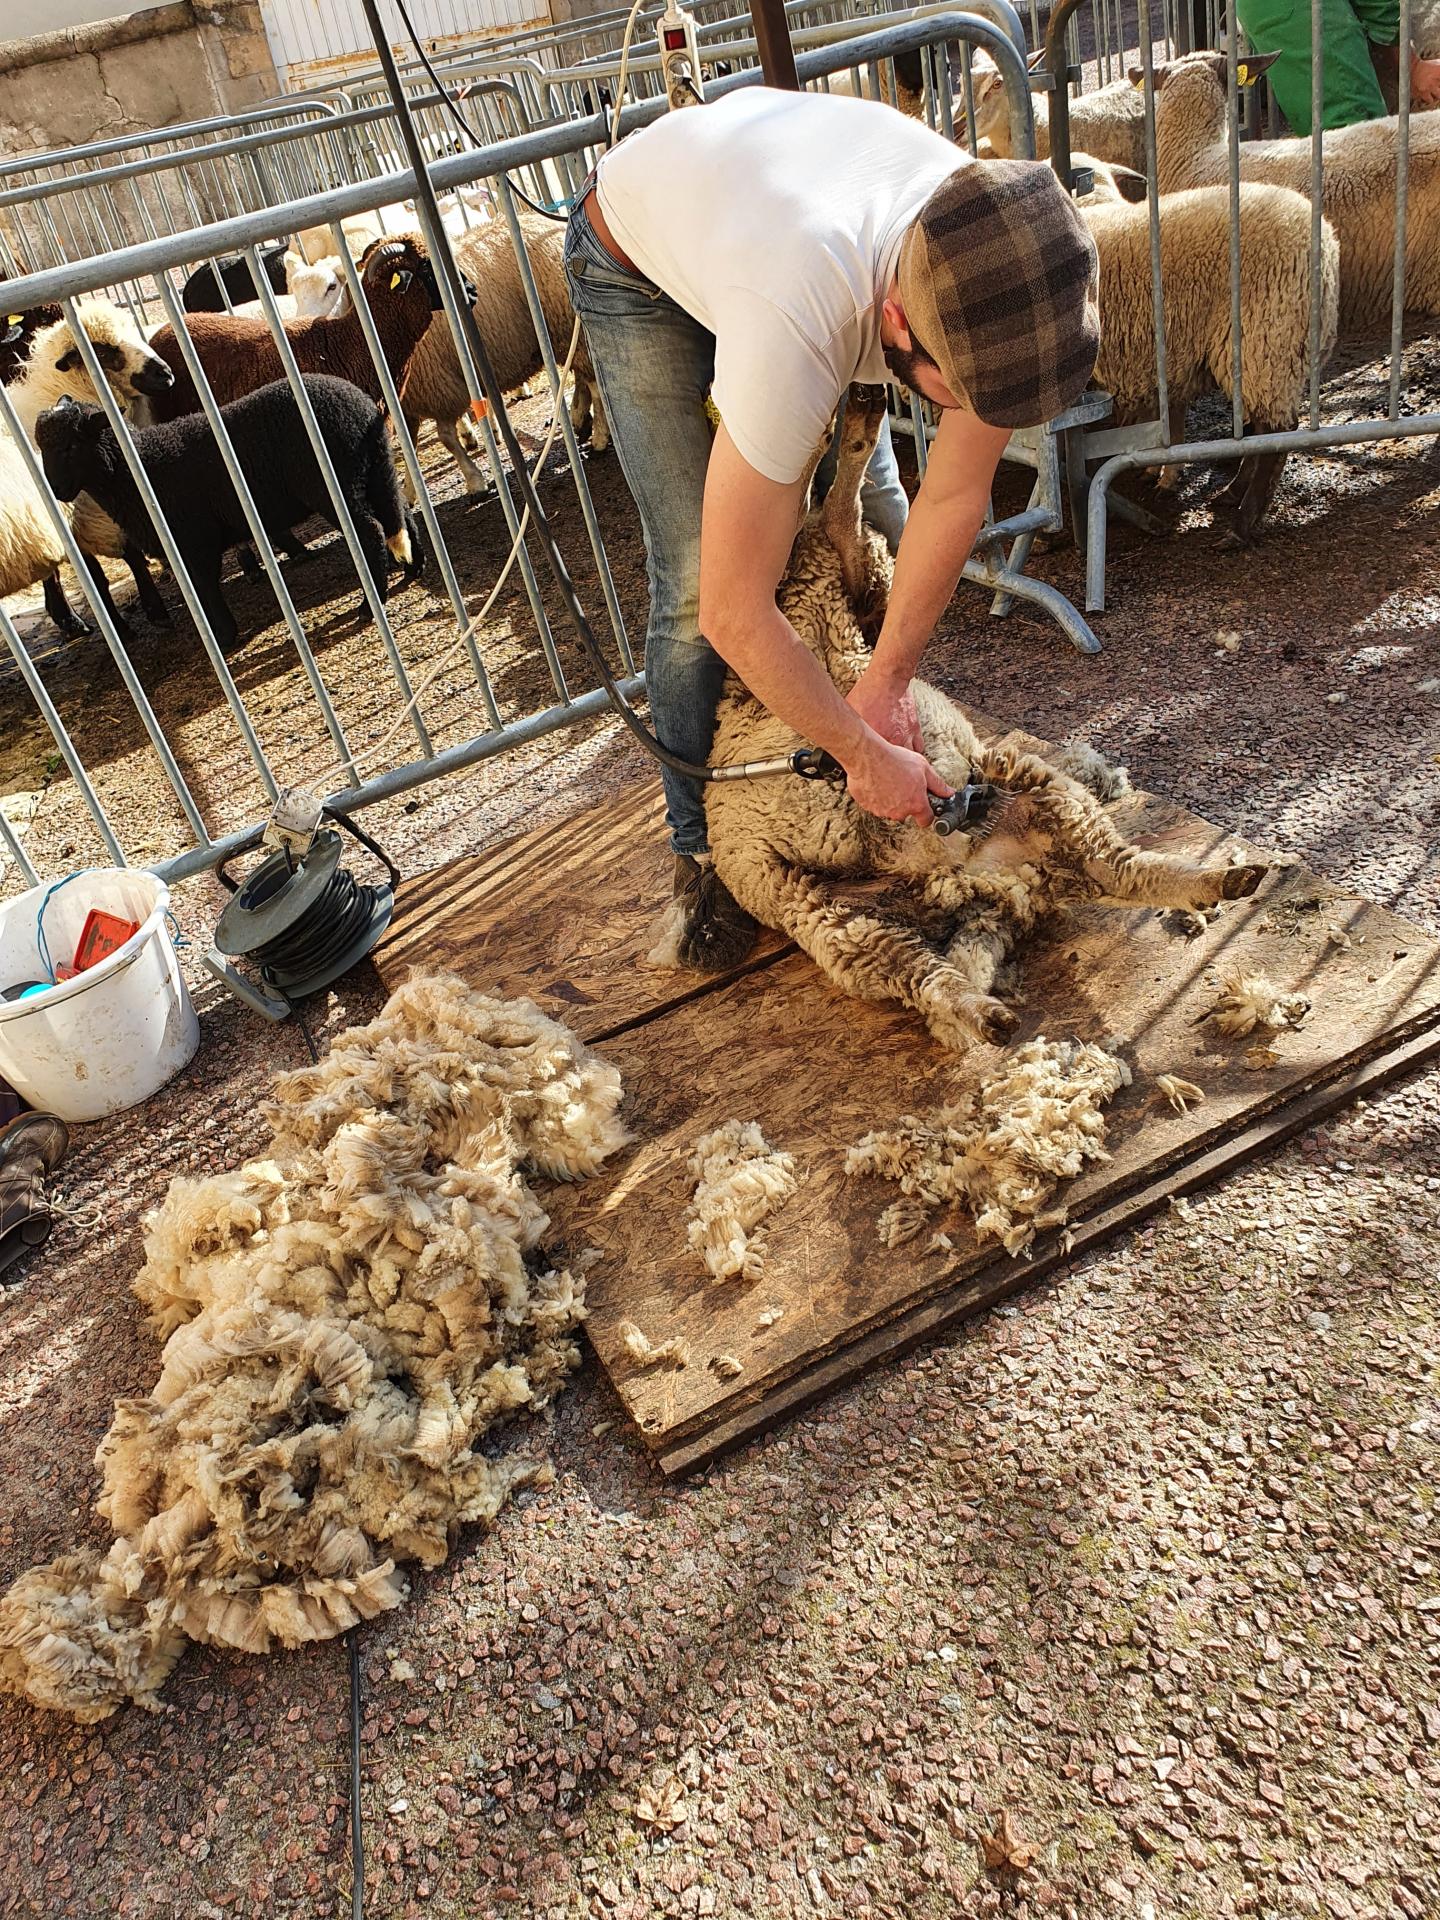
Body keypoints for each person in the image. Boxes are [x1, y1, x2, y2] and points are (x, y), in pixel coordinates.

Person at [563, 85, 1100, 970]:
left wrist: (888, 681)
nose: (979, 417)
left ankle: (839, 713)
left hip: (780, 230)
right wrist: (857, 753)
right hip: (636, 258)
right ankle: (701, 849)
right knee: (700, 572)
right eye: (953, 394)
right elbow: (733, 608)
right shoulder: (798, 318)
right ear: (894, 328)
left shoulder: (998, 261)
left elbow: (956, 494)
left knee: (856, 510)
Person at [1233, 0, 1440, 132]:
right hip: (1299, 10)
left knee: (1331, 134)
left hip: (1273, 10)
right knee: (1354, 131)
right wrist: (1412, 67)